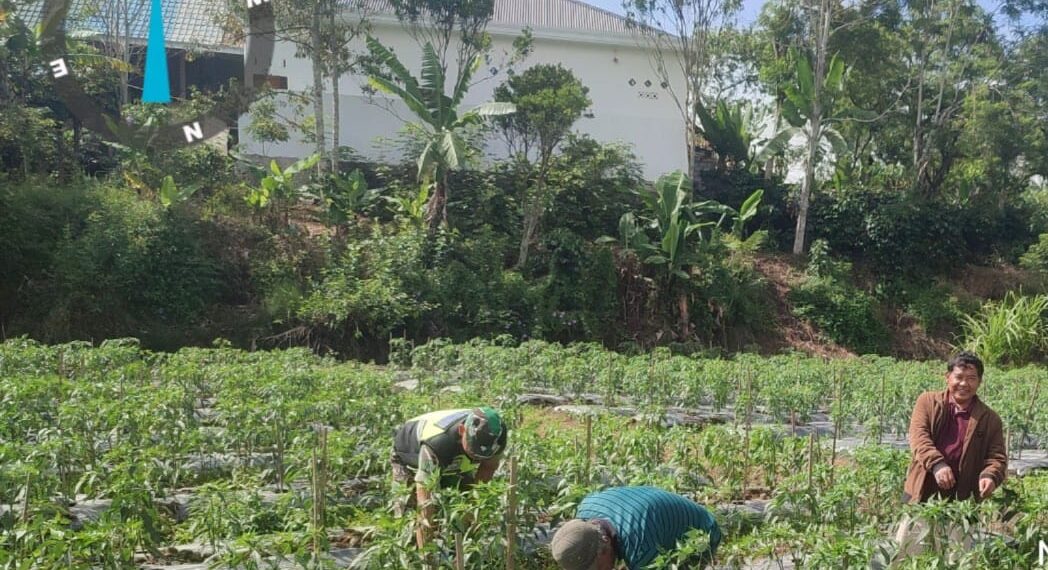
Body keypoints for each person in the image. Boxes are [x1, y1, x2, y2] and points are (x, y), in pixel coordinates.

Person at [390, 407, 508, 549]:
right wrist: (427, 555)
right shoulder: (437, 443)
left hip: (454, 458)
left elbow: (488, 468)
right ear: (462, 431)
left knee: (461, 511)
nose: (476, 458)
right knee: (407, 516)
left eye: (480, 456)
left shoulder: (497, 437)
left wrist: (470, 510)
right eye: (473, 452)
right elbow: (425, 504)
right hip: (409, 455)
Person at [903, 351, 1007, 503]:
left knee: (958, 527)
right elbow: (919, 438)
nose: (964, 384)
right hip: (921, 491)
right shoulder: (928, 402)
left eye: (971, 378)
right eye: (959, 377)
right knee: (914, 527)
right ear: (947, 377)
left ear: (980, 381)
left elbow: (997, 457)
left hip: (963, 500)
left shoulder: (990, 419)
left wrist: (989, 475)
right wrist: (937, 464)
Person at [551, 486, 721, 570]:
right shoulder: (587, 508)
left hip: (702, 531)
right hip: (653, 520)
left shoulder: (640, 548)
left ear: (605, 544)